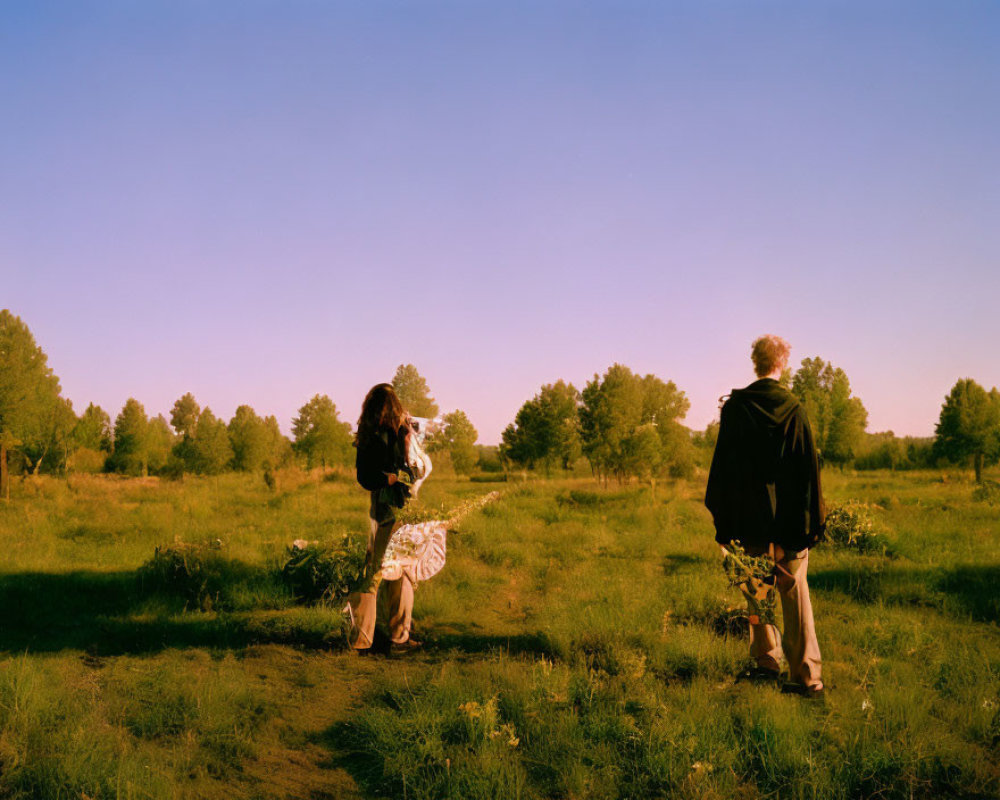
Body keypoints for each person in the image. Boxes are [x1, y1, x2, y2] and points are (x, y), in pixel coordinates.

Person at [705, 335, 825, 697]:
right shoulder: (795, 409)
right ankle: (807, 678)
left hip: (750, 521)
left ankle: (765, 663)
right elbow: (807, 472)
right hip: (789, 521)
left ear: (755, 363)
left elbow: (723, 470)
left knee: (757, 596)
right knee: (795, 596)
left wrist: (724, 524)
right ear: (782, 363)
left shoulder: (736, 408)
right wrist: (810, 525)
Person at [348, 383, 421, 655]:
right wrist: (390, 478)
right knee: (390, 570)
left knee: (385, 570)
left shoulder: (372, 433)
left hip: (386, 508)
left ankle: (369, 638)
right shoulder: (397, 431)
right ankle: (388, 638)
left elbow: (364, 477)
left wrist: (384, 478)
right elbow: (412, 469)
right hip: (394, 508)